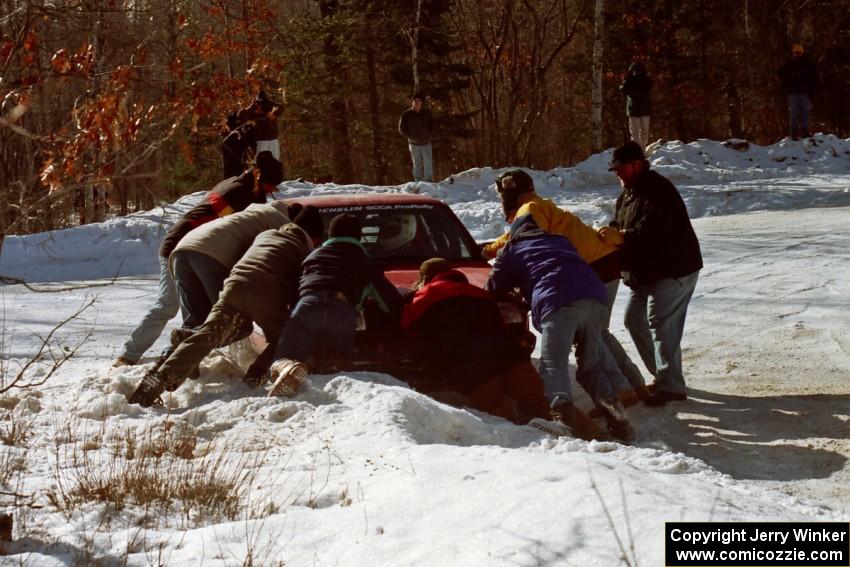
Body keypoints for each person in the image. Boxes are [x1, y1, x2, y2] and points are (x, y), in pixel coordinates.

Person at [127, 207, 325, 408]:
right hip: (265, 290)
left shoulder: (266, 234)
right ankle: (255, 376)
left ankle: (159, 380)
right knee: (284, 336)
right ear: (315, 238)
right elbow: (299, 294)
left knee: (207, 335)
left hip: (233, 285)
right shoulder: (302, 251)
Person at [482, 169, 648, 402]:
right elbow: (519, 234)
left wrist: (491, 251)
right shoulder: (536, 206)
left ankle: (626, 387)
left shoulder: (530, 208)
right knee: (596, 332)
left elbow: (525, 236)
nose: (501, 202)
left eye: (502, 196)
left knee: (596, 334)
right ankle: (629, 387)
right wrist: (491, 247)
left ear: (514, 194)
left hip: (593, 267)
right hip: (593, 268)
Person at [113, 151, 284, 367]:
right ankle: (129, 356)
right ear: (259, 176)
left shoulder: (237, 185)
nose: (273, 191)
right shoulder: (239, 194)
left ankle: (185, 359)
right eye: (272, 186)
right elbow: (224, 228)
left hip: (191, 246)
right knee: (170, 305)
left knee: (199, 313)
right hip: (182, 245)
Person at [402, 258, 596, 438]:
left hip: (473, 367)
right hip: (510, 356)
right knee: (541, 402)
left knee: (498, 414)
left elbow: (406, 329)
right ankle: (597, 436)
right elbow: (503, 327)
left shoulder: (422, 298)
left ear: (425, 278)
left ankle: (531, 452)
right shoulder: (481, 294)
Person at [487, 214, 635, 443]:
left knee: (552, 363)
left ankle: (563, 421)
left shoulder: (513, 248)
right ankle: (620, 421)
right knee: (591, 365)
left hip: (558, 301)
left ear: (515, 234)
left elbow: (494, 285)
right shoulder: (559, 240)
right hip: (594, 296)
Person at [599, 141, 702, 407]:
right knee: (634, 319)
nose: (618, 173)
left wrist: (620, 237)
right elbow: (621, 224)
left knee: (661, 322)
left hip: (673, 268)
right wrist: (608, 234)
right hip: (646, 272)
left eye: (621, 168)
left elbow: (654, 233)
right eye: (615, 169)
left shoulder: (658, 190)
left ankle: (671, 385)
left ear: (637, 164)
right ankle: (664, 376)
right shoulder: (629, 192)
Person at [267, 214, 404, 396]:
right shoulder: (364, 262)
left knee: (285, 357)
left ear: (330, 235)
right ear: (358, 236)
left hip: (307, 304)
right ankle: (332, 392)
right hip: (342, 310)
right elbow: (390, 303)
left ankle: (287, 368)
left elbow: (295, 289)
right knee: (336, 367)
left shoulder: (312, 257)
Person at [170, 199, 291, 330]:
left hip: (182, 249)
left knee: (195, 321)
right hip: (212, 253)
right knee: (232, 322)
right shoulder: (280, 221)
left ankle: (178, 347)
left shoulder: (247, 215)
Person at [777, 44, 819, 139]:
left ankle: (805, 132)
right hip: (793, 92)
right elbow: (780, 73)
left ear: (802, 52)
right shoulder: (789, 62)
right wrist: (788, 79)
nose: (797, 54)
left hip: (805, 92)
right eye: (796, 52)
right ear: (793, 53)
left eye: (799, 52)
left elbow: (815, 76)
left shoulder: (808, 63)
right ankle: (793, 133)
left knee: (805, 113)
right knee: (794, 113)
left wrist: (812, 89)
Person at [398, 93, 434, 182]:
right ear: (412, 102)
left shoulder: (427, 113)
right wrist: (410, 136)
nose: (416, 103)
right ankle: (418, 181)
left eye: (418, 101)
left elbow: (433, 125)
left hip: (426, 142)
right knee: (417, 164)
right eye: (415, 101)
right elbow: (401, 128)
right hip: (414, 144)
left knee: (428, 162)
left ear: (422, 103)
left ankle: (429, 181)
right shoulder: (406, 114)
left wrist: (429, 135)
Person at [619, 62, 653, 150]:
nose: (637, 73)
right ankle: (637, 151)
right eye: (635, 71)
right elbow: (623, 89)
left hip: (644, 109)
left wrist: (640, 78)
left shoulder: (646, 80)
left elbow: (650, 84)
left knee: (644, 132)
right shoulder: (630, 81)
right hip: (633, 109)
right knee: (635, 133)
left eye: (639, 71)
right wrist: (629, 78)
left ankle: (642, 149)